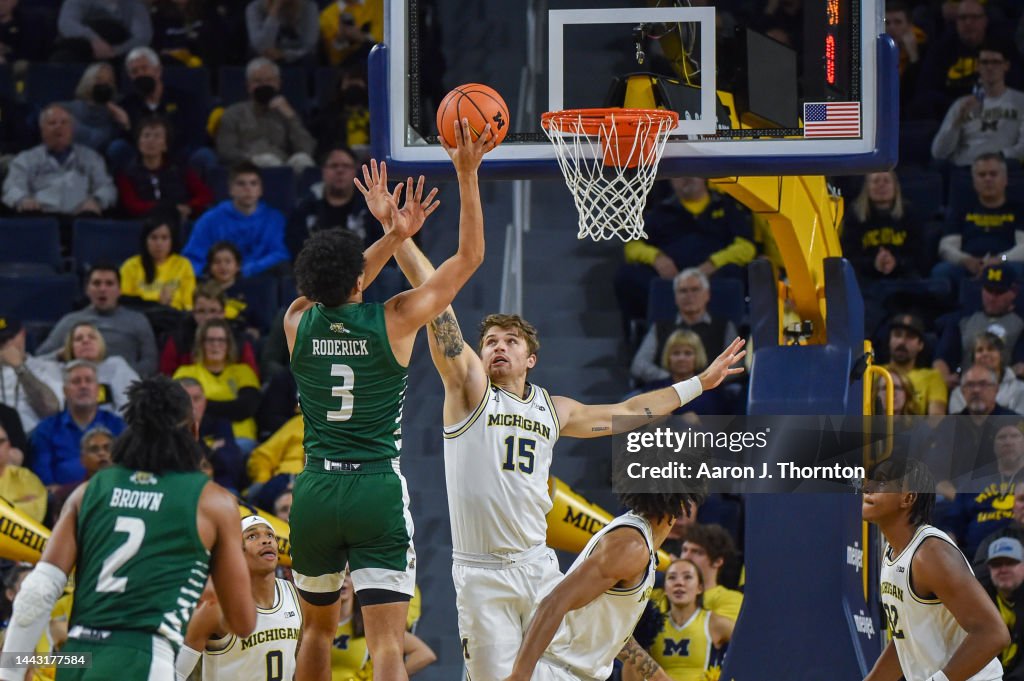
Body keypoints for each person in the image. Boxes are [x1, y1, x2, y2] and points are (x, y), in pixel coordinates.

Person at [382, 214, 743, 680]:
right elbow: (438, 306)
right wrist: (399, 238)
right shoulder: (469, 391)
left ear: (530, 359)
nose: (497, 347)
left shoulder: (556, 410)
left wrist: (699, 383)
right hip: (482, 573)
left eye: (510, 341)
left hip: (536, 564)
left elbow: (630, 410)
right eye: (489, 341)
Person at [284, 121, 490, 681]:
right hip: (374, 487)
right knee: (387, 648)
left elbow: (336, 286)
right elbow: (469, 257)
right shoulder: (395, 318)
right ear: (360, 281)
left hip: (315, 487)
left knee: (316, 633)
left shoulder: (296, 321)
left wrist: (392, 236)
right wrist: (465, 174)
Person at [0, 376, 257, 681]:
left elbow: (38, 590)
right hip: (143, 657)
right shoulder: (212, 501)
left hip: (77, 656)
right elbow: (242, 622)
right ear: (194, 430)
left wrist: (9, 670)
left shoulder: (90, 490)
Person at [502, 488, 704, 681]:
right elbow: (554, 602)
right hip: (557, 670)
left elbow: (609, 632)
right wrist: (520, 675)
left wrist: (657, 676)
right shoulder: (631, 547)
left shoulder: (640, 542)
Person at [862, 457, 1008, 681]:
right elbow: (907, 639)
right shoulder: (892, 551)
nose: (867, 488)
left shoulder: (931, 553)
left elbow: (994, 634)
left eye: (881, 482)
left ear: (908, 497)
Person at [176, 515, 303, 681]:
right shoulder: (217, 605)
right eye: (252, 536)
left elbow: (303, 666)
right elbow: (176, 672)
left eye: (270, 535)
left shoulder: (295, 595)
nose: (266, 540)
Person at [614, 177, 755, 327]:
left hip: (714, 277)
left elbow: (747, 247)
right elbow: (633, 246)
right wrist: (657, 258)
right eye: (680, 175)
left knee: (736, 273)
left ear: (704, 177)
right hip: (669, 278)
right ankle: (650, 329)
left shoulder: (727, 207)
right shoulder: (661, 211)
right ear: (670, 180)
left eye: (693, 173)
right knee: (627, 275)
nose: (687, 178)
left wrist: (714, 263)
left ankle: (730, 331)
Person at [1, 105, 116, 233]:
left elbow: (107, 187)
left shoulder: (91, 157)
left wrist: (96, 201)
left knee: (94, 220)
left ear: (72, 129)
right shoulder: (26, 159)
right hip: (40, 218)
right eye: (52, 123)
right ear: (42, 129)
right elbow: (11, 187)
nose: (58, 127)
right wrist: (22, 199)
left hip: (81, 217)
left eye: (64, 122)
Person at [36, 264, 159, 377]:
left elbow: (151, 362)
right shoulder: (70, 321)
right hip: (79, 383)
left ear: (119, 290)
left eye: (109, 283)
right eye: (96, 283)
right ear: (87, 290)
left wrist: (125, 376)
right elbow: (39, 359)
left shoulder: (137, 320)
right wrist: (60, 355)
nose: (103, 289)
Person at [625, 559, 734, 681]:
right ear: (665, 589)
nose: (679, 583)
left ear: (700, 588)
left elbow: (748, 647)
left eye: (687, 577)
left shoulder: (715, 623)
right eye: (672, 577)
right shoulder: (651, 626)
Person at [630, 268, 738, 387]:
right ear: (675, 297)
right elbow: (639, 365)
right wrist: (671, 380)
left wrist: (701, 382)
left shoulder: (724, 327)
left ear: (707, 295)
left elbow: (735, 363)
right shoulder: (659, 327)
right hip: (666, 390)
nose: (689, 296)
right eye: (683, 291)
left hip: (710, 390)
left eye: (695, 289)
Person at [182, 161, 290, 278]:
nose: (248, 189)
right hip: (218, 281)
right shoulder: (210, 220)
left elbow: (279, 254)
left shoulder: (275, 219)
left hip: (259, 280)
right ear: (231, 189)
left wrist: (246, 270)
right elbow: (192, 257)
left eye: (253, 183)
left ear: (260, 190)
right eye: (241, 184)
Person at [30, 361, 125, 490]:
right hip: (63, 498)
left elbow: (126, 470)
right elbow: (44, 482)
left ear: (98, 390)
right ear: (65, 391)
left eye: (88, 380)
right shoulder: (46, 430)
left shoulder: (118, 426)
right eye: (76, 381)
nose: (83, 386)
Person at [935, 153, 1024, 289]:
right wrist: (965, 260)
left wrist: (1000, 259)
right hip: (969, 265)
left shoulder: (1019, 210)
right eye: (982, 175)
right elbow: (947, 247)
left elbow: (1023, 249)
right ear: (974, 181)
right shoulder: (961, 209)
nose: (987, 179)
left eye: (993, 174)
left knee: (1017, 270)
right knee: (942, 271)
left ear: (1005, 179)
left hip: (1005, 263)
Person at [172, 319, 261, 453]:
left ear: (229, 345)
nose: (215, 345)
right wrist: (229, 407)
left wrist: (202, 405)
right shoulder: (185, 372)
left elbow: (245, 408)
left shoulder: (243, 371)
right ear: (201, 344)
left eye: (221, 340)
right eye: (210, 340)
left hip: (240, 439)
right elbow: (179, 406)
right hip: (196, 439)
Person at [931, 42, 1024, 167]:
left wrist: (998, 157)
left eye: (995, 62)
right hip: (964, 169)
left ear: (1006, 66)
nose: (989, 67)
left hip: (1003, 168)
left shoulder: (1021, 101)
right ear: (977, 66)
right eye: (984, 62)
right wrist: (958, 121)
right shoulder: (961, 104)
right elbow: (938, 153)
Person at [118, 47, 213, 168]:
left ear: (158, 70)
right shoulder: (127, 105)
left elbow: (196, 135)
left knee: (204, 155)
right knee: (118, 147)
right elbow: (129, 141)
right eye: (134, 71)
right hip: (143, 160)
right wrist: (126, 126)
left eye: (144, 68)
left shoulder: (185, 100)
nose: (140, 74)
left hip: (182, 157)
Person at [330, 571, 436, 680]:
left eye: (348, 574)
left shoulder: (370, 623)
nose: (343, 579)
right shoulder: (321, 623)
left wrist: (387, 676)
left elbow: (424, 653)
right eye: (337, 573)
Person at [215, 57, 315, 172]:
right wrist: (252, 160)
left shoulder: (286, 112)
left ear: (278, 84)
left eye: (269, 80)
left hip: (283, 167)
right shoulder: (233, 113)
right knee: (268, 161)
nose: (264, 85)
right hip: (248, 168)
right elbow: (226, 151)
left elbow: (307, 149)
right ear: (248, 86)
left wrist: (291, 117)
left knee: (303, 160)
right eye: (258, 81)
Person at [934, 264, 1024, 388]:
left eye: (999, 292)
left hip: (1006, 388)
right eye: (988, 290)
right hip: (966, 386)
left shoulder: (1020, 323)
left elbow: (1020, 366)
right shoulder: (963, 319)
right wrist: (943, 376)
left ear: (1013, 292)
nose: (992, 298)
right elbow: (942, 357)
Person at [286, 146, 379, 260]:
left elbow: (380, 244)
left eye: (346, 166)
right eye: (334, 166)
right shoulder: (304, 207)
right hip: (316, 266)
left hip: (366, 265)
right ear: (323, 171)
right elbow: (295, 246)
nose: (340, 171)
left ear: (355, 171)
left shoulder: (370, 205)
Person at [115, 116, 214, 221]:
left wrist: (189, 207)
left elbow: (204, 195)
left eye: (157, 136)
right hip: (143, 223)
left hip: (180, 221)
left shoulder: (180, 169)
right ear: (138, 143)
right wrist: (169, 209)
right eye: (146, 136)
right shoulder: (127, 173)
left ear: (165, 145)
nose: (151, 140)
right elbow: (132, 206)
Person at [839, 171, 925, 284]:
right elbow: (848, 256)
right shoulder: (854, 215)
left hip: (903, 276)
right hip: (865, 278)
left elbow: (919, 255)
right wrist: (873, 264)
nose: (881, 185)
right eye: (876, 181)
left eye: (886, 181)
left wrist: (896, 262)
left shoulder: (909, 213)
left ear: (895, 187)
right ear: (867, 188)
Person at [159, 284, 260, 378]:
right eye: (201, 311)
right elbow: (166, 379)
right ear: (193, 312)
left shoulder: (240, 341)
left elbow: (251, 377)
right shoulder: (178, 340)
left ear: (223, 313)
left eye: (213, 311)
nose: (207, 317)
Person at [636, 330, 734, 416]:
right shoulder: (654, 388)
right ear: (668, 357)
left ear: (697, 357)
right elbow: (643, 417)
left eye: (688, 353)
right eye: (676, 353)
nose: (681, 358)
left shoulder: (713, 390)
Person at [177, 377, 244, 495]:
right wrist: (210, 451)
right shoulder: (165, 428)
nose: (191, 405)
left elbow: (231, 462)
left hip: (220, 485)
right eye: (185, 400)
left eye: (196, 399)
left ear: (205, 401)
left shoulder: (219, 423)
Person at [56, 322, 140, 414]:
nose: (85, 341)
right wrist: (57, 355)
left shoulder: (116, 365)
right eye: (78, 339)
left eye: (92, 337)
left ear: (100, 343)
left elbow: (130, 406)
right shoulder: (59, 371)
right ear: (70, 347)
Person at [119, 215, 197, 312]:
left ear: (172, 241)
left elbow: (189, 305)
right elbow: (125, 303)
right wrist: (158, 304)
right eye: (153, 238)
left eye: (164, 238)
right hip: (140, 316)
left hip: (175, 317)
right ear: (145, 240)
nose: (159, 243)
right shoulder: (130, 266)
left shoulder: (183, 265)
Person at [0, 317, 63, 433]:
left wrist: (20, 368)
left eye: (10, 338)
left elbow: (51, 411)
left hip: (36, 438)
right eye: (1, 341)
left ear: (23, 334)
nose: (7, 345)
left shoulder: (47, 368)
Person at [885, 313, 949, 416]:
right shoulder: (874, 373)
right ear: (889, 340)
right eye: (897, 335)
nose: (902, 341)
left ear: (920, 345)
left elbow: (936, 420)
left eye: (910, 336)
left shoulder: (933, 378)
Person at [63, 62, 132, 157]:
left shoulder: (118, 110)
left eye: (109, 81)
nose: (104, 84)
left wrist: (125, 122)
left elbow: (128, 136)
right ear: (87, 81)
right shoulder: (68, 108)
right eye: (99, 79)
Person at [54, 0, 153, 62]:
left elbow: (142, 37)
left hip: (119, 55)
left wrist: (115, 51)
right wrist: (94, 39)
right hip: (82, 49)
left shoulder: (134, 5)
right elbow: (67, 23)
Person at [949, 332, 1024, 414]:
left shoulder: (1020, 389)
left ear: (1001, 355)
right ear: (973, 358)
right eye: (980, 350)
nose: (985, 353)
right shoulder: (959, 393)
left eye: (991, 349)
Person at [982, 537, 1024, 680]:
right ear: (989, 569)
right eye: (996, 564)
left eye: (1011, 562)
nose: (1003, 569)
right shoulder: (979, 602)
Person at [49, 425, 112, 519]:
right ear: (82, 459)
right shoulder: (66, 495)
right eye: (94, 449)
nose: (101, 453)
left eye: (107, 448)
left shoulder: (127, 491)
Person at [246, 0, 319, 65]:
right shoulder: (255, 7)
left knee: (309, 58)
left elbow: (309, 46)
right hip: (265, 60)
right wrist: (274, 10)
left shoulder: (308, 6)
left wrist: (284, 55)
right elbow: (261, 46)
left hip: (298, 59)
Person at [0, 423, 47, 524]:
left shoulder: (24, 477)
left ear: (9, 445)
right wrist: (17, 505)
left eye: (1, 441)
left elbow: (36, 513)